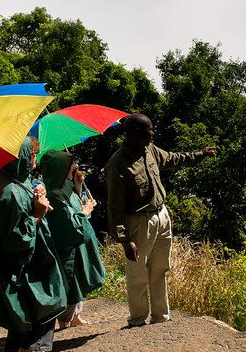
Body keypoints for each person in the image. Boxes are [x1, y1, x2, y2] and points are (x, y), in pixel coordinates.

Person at [105, 113, 216, 327]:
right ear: (135, 133)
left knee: (160, 268)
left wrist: (199, 155)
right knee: (138, 273)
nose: (153, 133)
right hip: (139, 222)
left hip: (161, 216)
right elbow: (114, 207)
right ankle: (137, 319)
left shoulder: (150, 150)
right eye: (149, 130)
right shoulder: (117, 164)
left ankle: (160, 317)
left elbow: (173, 158)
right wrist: (125, 240)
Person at [0, 137, 67, 352]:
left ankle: (16, 345)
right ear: (22, 156)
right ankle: (32, 347)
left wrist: (37, 197)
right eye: (32, 154)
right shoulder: (11, 193)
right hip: (26, 265)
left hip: (25, 262)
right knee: (48, 298)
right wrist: (38, 213)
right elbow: (17, 240)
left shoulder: (7, 181)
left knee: (28, 304)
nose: (34, 159)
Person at [40, 149, 106, 329]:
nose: (73, 169)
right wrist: (85, 211)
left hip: (76, 245)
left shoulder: (63, 186)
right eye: (69, 166)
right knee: (69, 282)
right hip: (67, 247)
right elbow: (69, 223)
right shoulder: (53, 194)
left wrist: (77, 186)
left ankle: (74, 316)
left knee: (76, 281)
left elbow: (73, 204)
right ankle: (65, 319)